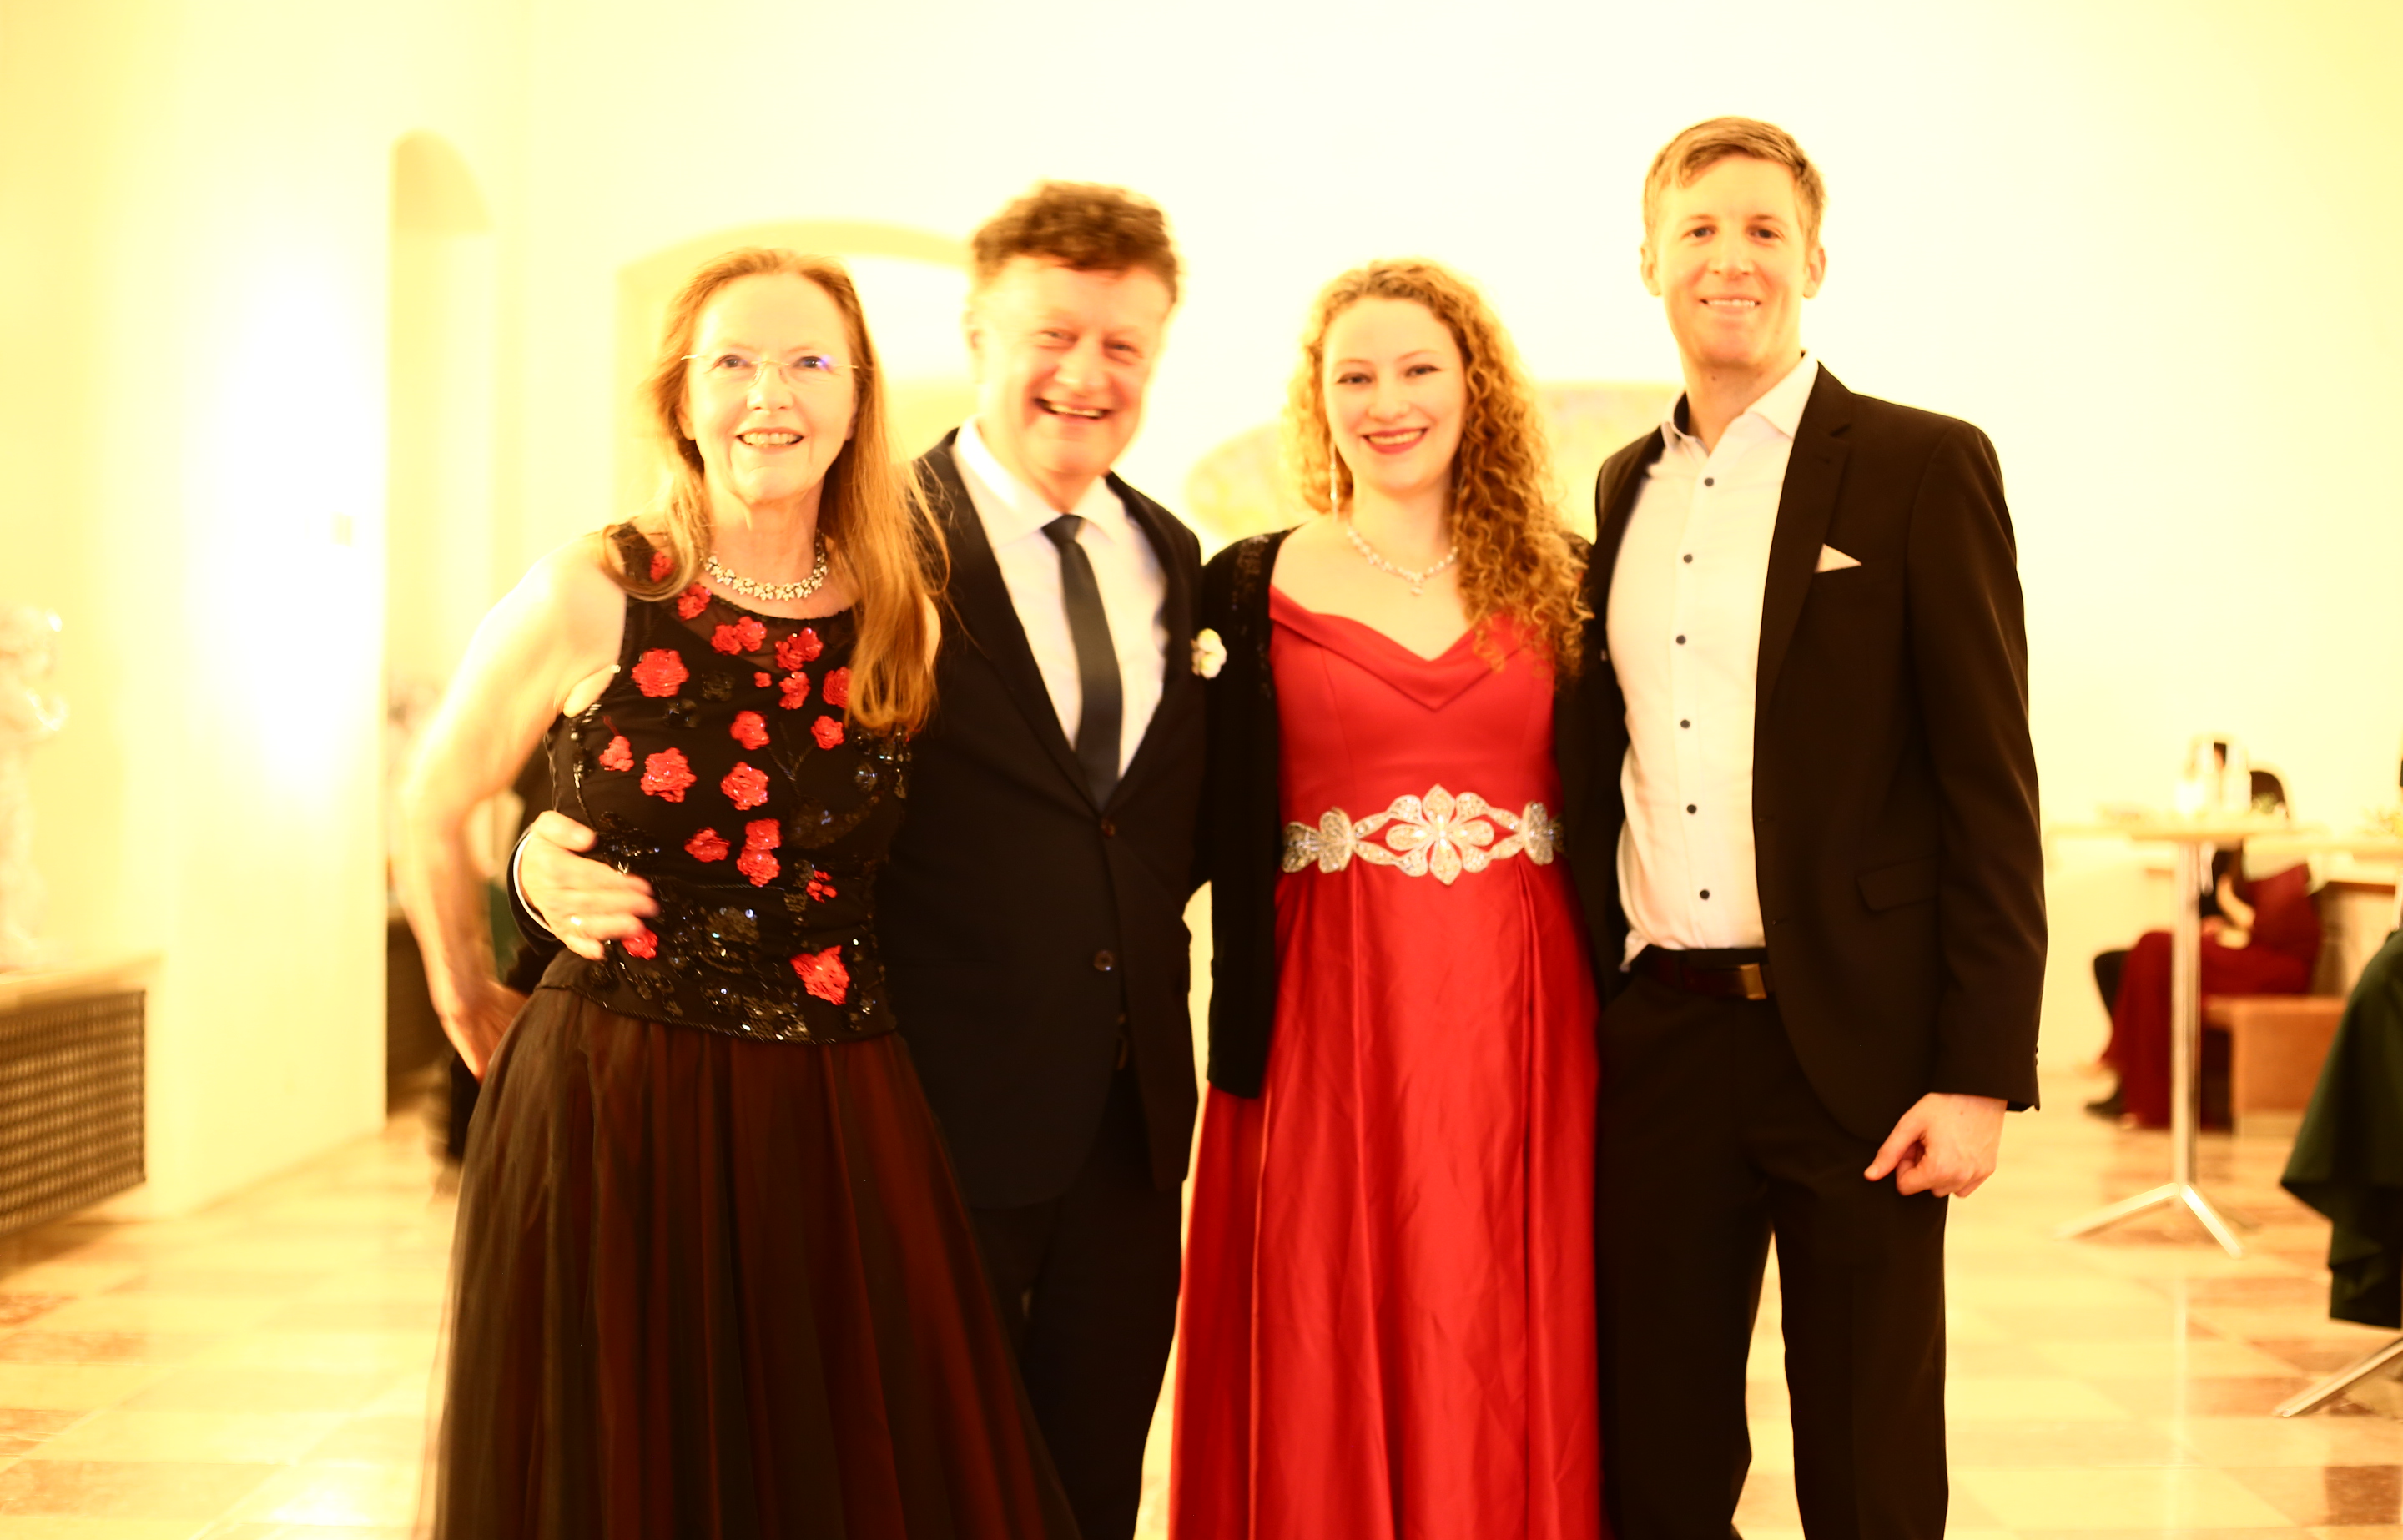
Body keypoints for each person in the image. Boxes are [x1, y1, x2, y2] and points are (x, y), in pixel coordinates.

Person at [518, 184, 1205, 1540]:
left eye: (1124, 345)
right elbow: (679, 743)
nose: (1085, 374)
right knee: (905, 1490)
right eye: (1052, 335)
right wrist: (543, 860)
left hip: (1127, 1131)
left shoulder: (1174, 555)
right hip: (911, 1110)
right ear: (976, 333)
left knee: (1088, 1488)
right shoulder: (860, 547)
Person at [395, 249, 1074, 1537]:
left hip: (837, 1103)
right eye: (735, 362)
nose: (772, 393)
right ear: (681, 398)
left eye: (810, 361)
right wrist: (467, 995)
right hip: (616, 1093)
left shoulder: (904, 615)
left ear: (859, 400)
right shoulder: (596, 591)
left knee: (824, 1460)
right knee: (628, 1461)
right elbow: (433, 802)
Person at [1557, 118, 2046, 1540]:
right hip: (1660, 1039)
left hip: (1862, 1054)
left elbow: (1989, 785)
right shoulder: (1622, 488)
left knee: (1869, 1464)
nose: (1732, 259)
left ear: (1815, 261)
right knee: (1655, 1456)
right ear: (1648, 261)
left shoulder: (1920, 464)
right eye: (1700, 230)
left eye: (1765, 230)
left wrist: (1977, 1071)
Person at [1171, 259, 1601, 1536]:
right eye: (1353, 375)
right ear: (1317, 398)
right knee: (1324, 1301)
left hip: (1531, 1019)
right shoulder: (1240, 590)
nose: (1387, 401)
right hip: (1320, 1017)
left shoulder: (1570, 577)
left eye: (1418, 368)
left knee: (1508, 1304)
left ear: (1476, 386)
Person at [2097, 769, 2321, 1128]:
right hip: (2256, 953)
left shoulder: (2277, 848)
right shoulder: (2246, 849)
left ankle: (2125, 1065)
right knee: (2155, 957)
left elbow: (2275, 928)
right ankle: (2146, 1095)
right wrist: (2224, 924)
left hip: (2279, 966)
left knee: (2155, 946)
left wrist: (2229, 904)